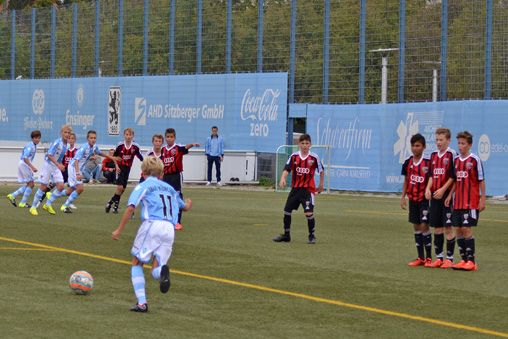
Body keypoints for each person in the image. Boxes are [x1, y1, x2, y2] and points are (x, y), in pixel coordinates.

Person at [111, 156, 192, 313]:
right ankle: (161, 272)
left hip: (152, 225)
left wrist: (119, 229)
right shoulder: (169, 188)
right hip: (170, 229)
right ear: (161, 173)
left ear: (143, 171)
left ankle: (142, 303)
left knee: (137, 262)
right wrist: (188, 204)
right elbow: (183, 207)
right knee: (156, 267)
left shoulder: (143, 186)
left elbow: (131, 207)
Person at [445, 131, 485, 271]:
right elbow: (456, 180)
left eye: (463, 144)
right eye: (459, 143)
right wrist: (450, 195)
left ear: (470, 145)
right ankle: (463, 260)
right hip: (458, 202)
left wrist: (483, 199)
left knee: (466, 229)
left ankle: (472, 262)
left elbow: (481, 180)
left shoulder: (474, 160)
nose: (460, 146)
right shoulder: (456, 161)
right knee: (458, 229)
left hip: (471, 202)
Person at [273, 133, 324, 244]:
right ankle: (286, 235)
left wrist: (321, 184)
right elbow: (287, 168)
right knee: (287, 211)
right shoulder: (294, 156)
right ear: (299, 144)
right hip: (295, 189)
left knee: (309, 213)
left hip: (308, 190)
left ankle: (311, 236)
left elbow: (321, 170)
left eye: (307, 143)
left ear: (310, 144)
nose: (304, 145)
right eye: (302, 143)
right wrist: (283, 178)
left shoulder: (314, 157)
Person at [57, 130, 119, 213]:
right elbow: (76, 161)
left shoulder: (94, 146)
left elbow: (100, 153)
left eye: (94, 138)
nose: (93, 139)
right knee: (80, 188)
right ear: (87, 139)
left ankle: (53, 195)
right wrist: (77, 173)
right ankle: (65, 206)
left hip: (77, 168)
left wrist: (112, 157)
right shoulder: (84, 147)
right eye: (91, 138)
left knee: (71, 190)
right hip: (73, 168)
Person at [424, 128, 458, 268]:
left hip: (446, 196)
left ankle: (449, 259)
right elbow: (431, 175)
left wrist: (445, 191)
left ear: (448, 140)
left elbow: (453, 177)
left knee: (448, 227)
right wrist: (428, 188)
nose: (438, 142)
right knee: (437, 227)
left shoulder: (451, 154)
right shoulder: (433, 155)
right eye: (436, 140)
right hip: (435, 196)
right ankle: (439, 258)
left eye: (441, 140)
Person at [401, 133, 432, 266]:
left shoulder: (428, 162)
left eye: (417, 146)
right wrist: (403, 197)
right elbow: (407, 180)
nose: (414, 148)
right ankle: (420, 257)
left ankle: (429, 257)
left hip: (424, 199)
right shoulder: (408, 162)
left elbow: (432, 178)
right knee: (416, 226)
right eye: (413, 145)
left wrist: (428, 190)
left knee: (425, 225)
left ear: (424, 147)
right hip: (412, 199)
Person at [161, 128, 200, 230]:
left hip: (176, 176)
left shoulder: (177, 148)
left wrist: (192, 144)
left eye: (171, 137)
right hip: (166, 176)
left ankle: (178, 222)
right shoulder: (163, 150)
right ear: (165, 138)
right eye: (167, 137)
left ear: (174, 138)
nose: (169, 139)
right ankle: (167, 219)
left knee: (177, 197)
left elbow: (186, 147)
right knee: (165, 197)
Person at [29, 125, 72, 216]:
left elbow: (60, 157)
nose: (67, 134)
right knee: (43, 187)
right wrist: (59, 164)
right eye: (65, 132)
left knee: (61, 186)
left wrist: (60, 165)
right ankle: (33, 207)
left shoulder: (67, 145)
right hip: (48, 165)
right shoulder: (57, 142)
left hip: (56, 167)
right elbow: (49, 155)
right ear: (61, 133)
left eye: (68, 133)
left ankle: (47, 204)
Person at [105, 127, 144, 214]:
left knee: (123, 189)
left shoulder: (135, 146)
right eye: (127, 134)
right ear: (124, 135)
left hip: (127, 168)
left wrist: (146, 163)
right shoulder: (120, 145)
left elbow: (141, 157)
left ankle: (110, 202)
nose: (128, 136)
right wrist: (116, 166)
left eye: (130, 135)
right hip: (120, 167)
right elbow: (114, 157)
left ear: (133, 136)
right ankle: (115, 207)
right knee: (120, 187)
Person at [38, 132, 78, 208]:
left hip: (70, 172)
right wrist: (60, 166)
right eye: (69, 138)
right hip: (62, 170)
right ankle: (40, 200)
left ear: (75, 140)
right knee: (52, 185)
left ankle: (69, 202)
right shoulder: (64, 148)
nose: (70, 140)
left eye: (72, 138)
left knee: (73, 187)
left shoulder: (76, 150)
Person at [7, 130, 41, 208]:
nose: (38, 140)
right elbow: (25, 157)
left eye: (39, 138)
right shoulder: (31, 146)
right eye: (36, 138)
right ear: (32, 138)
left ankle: (13, 196)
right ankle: (22, 202)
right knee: (31, 184)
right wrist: (32, 167)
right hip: (24, 164)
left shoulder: (33, 145)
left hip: (24, 164)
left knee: (30, 184)